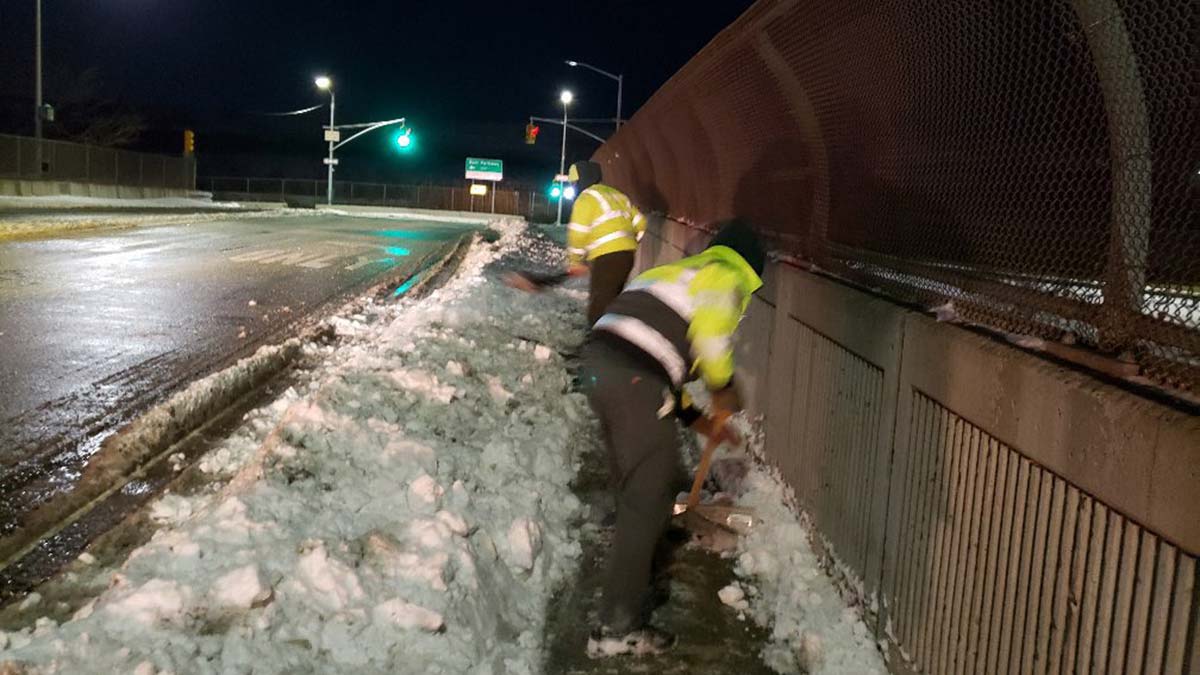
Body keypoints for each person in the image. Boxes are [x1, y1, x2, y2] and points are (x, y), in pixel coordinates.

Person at [578, 219, 766, 657]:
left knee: (645, 474)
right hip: (632, 375)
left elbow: (661, 358)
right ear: (752, 268)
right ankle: (616, 628)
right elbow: (711, 341)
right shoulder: (726, 275)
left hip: (604, 362)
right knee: (652, 491)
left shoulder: (679, 274)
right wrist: (724, 389)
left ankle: (632, 539)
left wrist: (700, 422)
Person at [506, 160, 646, 325]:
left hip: (607, 257)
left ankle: (597, 342)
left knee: (599, 304)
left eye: (573, 183)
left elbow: (578, 233)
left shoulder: (586, 198)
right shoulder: (617, 195)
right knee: (612, 298)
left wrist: (576, 261)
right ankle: (611, 333)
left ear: (581, 180)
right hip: (627, 256)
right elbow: (641, 222)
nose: (573, 187)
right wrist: (627, 244)